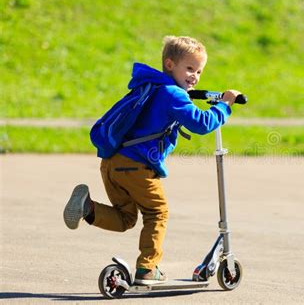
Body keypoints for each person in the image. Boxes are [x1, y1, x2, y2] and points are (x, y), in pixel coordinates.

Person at [63, 36, 240, 285]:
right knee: (157, 212)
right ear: (170, 64)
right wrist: (224, 106)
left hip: (112, 164)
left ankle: (88, 209)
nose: (195, 76)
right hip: (137, 167)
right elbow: (202, 124)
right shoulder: (173, 95)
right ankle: (147, 268)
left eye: (199, 71)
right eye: (189, 68)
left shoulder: (150, 86)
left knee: (126, 218)